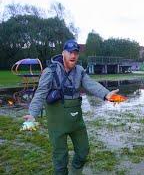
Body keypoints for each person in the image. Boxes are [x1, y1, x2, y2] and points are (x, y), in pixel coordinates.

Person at [23, 39, 119, 175]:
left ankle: (75, 171)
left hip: (76, 121)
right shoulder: (50, 71)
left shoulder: (79, 70)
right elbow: (40, 94)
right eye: (70, 52)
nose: (73, 55)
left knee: (83, 151)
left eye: (75, 53)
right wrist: (32, 113)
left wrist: (106, 94)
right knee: (60, 158)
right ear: (63, 53)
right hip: (57, 122)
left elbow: (91, 84)